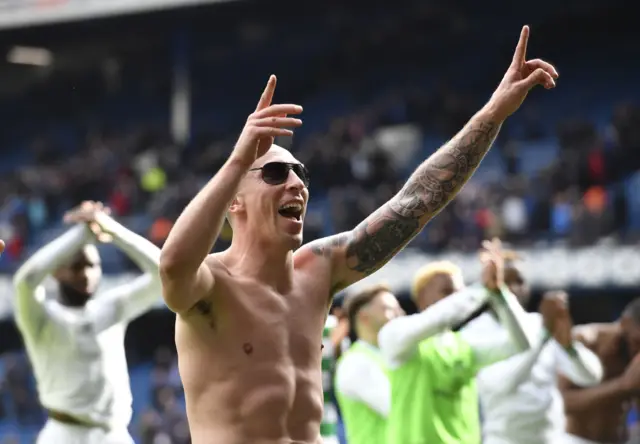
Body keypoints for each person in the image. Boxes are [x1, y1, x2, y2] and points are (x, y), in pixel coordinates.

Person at [158, 24, 558, 444]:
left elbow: (415, 202)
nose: (296, 183)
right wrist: (239, 160)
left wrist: (493, 113)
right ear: (233, 202)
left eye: (301, 173)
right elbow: (172, 265)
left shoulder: (317, 270)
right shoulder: (210, 287)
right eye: (275, 173)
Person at [13, 201, 162, 444]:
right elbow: (25, 281)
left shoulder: (110, 309)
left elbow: (163, 273)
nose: (86, 274)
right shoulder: (41, 317)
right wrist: (82, 232)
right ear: (55, 271)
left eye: (93, 266)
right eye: (76, 266)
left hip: (116, 435)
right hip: (65, 435)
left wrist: (109, 228)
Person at [378, 239, 534, 444]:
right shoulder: (396, 337)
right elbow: (437, 318)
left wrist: (499, 294)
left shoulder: (464, 346)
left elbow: (522, 344)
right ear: (422, 297)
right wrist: (480, 290)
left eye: (460, 292)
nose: (458, 299)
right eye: (448, 291)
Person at [462, 257, 603, 444]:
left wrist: (569, 347)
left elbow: (591, 378)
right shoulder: (472, 333)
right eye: (505, 281)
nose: (512, 288)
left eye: (519, 281)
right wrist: (544, 336)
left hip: (551, 438)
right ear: (487, 286)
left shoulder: (539, 323)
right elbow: (500, 387)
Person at [559, 297, 640, 444]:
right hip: (574, 439)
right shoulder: (585, 342)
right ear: (624, 323)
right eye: (637, 342)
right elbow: (559, 401)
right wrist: (621, 385)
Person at [334, 284, 404, 444]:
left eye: (399, 308)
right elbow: (401, 410)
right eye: (389, 309)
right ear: (364, 317)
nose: (399, 314)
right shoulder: (356, 362)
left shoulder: (386, 357)